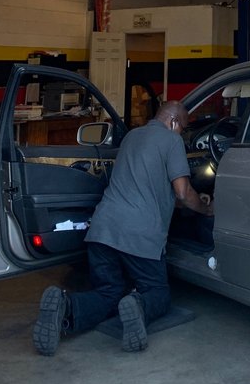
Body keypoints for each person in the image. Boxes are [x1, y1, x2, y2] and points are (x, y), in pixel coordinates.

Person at [33, 99, 213, 355]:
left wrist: (186, 202)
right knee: (157, 293)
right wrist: (206, 208)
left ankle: (66, 307)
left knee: (108, 292)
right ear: (173, 122)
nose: (182, 134)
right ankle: (138, 305)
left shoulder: (131, 137)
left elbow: (154, 189)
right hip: (139, 236)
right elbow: (182, 193)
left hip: (102, 230)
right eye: (182, 128)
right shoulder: (171, 142)